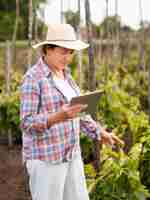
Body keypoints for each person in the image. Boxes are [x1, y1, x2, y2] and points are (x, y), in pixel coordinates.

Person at [20, 24, 123, 200]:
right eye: (63, 52)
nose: (68, 57)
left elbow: (80, 111)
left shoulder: (67, 76)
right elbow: (26, 123)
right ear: (47, 50)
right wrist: (57, 117)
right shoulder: (33, 79)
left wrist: (100, 133)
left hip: (72, 154)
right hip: (47, 159)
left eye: (71, 52)